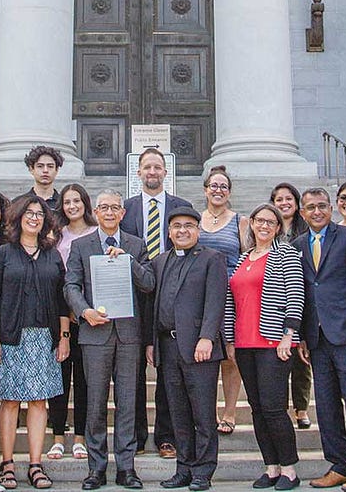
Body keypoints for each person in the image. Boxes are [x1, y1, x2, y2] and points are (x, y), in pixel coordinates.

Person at [65, 188, 156, 491]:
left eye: (114, 207)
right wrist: (84, 311)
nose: (108, 212)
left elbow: (148, 284)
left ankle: (127, 468)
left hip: (129, 335)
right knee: (94, 404)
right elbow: (71, 286)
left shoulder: (136, 244)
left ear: (123, 213)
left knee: (128, 402)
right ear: (95, 212)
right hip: (94, 333)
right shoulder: (81, 245)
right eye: (103, 207)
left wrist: (129, 262)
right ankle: (96, 468)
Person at [0, 196, 71, 491]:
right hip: (11, 337)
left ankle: (36, 464)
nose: (34, 218)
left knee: (38, 401)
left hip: (44, 337)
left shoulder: (52, 255)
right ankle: (7, 462)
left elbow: (62, 300)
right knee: (10, 400)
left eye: (39, 214)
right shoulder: (4, 254)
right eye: (29, 213)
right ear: (19, 217)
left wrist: (63, 337)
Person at [297, 187, 346, 492]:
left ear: (330, 209)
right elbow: (304, 292)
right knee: (327, 406)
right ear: (302, 213)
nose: (316, 212)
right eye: (310, 208)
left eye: (321, 206)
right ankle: (339, 465)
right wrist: (304, 336)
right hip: (316, 337)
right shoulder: (299, 243)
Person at [144, 206, 227, 492]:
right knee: (177, 413)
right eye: (177, 226)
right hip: (168, 347)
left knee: (203, 414)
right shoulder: (160, 261)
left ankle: (203, 471)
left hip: (199, 348)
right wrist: (152, 342)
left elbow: (216, 302)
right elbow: (154, 306)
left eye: (189, 226)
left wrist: (207, 337)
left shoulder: (212, 259)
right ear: (168, 231)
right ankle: (184, 468)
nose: (182, 230)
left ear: (198, 229)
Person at [223, 204, 304, 492]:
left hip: (273, 343)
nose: (265, 226)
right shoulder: (244, 258)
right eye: (260, 221)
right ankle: (271, 467)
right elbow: (232, 300)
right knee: (257, 408)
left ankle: (290, 470)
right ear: (252, 224)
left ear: (279, 228)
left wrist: (289, 335)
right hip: (245, 344)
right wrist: (230, 338)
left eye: (271, 222)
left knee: (273, 408)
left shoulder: (286, 256)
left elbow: (295, 296)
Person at [121, 147, 194, 460]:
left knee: (168, 369)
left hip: (171, 295)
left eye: (157, 167)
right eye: (147, 167)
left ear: (166, 172)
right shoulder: (125, 209)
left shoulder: (182, 207)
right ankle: (137, 435)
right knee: (133, 367)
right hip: (134, 297)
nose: (152, 172)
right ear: (138, 173)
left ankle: (167, 436)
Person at [196, 166, 249, 435]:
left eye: (223, 186)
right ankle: (208, 413)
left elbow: (247, 256)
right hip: (201, 293)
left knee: (230, 354)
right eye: (213, 186)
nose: (218, 190)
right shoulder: (194, 220)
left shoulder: (240, 221)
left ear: (229, 192)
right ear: (205, 190)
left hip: (230, 293)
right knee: (204, 354)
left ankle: (229, 411)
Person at [48, 183, 99, 462]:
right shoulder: (57, 236)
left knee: (84, 380)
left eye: (77, 201)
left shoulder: (96, 233)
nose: (72, 206)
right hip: (60, 316)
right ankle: (57, 437)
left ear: (85, 203)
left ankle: (80, 437)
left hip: (90, 318)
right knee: (59, 380)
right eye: (67, 202)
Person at [270, 183, 312, 431]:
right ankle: (281, 407)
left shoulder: (306, 231)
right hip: (276, 304)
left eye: (288, 199)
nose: (284, 203)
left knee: (300, 358)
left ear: (296, 204)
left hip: (300, 300)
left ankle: (301, 407)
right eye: (279, 200)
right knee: (277, 360)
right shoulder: (269, 232)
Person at [13, 145, 64, 212]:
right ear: (31, 169)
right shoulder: (18, 203)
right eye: (40, 166)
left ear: (56, 170)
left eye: (50, 166)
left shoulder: (64, 204)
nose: (45, 170)